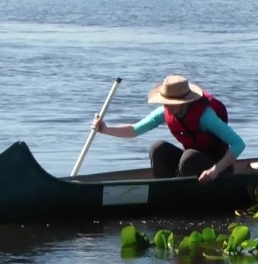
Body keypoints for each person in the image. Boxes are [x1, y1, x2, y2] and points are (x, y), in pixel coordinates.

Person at [91, 75, 245, 184]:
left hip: (219, 171)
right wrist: (105, 129)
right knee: (158, 148)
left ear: (185, 101)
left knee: (189, 156)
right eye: (165, 102)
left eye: (172, 102)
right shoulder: (166, 111)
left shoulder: (205, 117)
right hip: (191, 168)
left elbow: (238, 144)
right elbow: (135, 129)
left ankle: (181, 192)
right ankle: (166, 190)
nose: (167, 106)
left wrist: (214, 171)